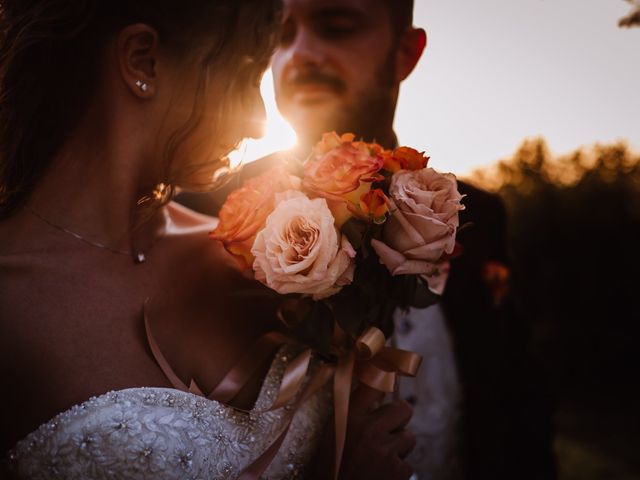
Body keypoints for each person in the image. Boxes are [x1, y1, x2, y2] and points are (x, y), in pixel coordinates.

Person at [0, 1, 417, 479]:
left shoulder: (252, 253)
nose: (258, 121)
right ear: (143, 60)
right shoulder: (10, 303)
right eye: (242, 76)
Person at [178, 0, 556, 478]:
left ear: (406, 53)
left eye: (336, 27)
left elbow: (518, 400)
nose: (300, 55)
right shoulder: (214, 218)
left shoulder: (476, 214)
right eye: (282, 34)